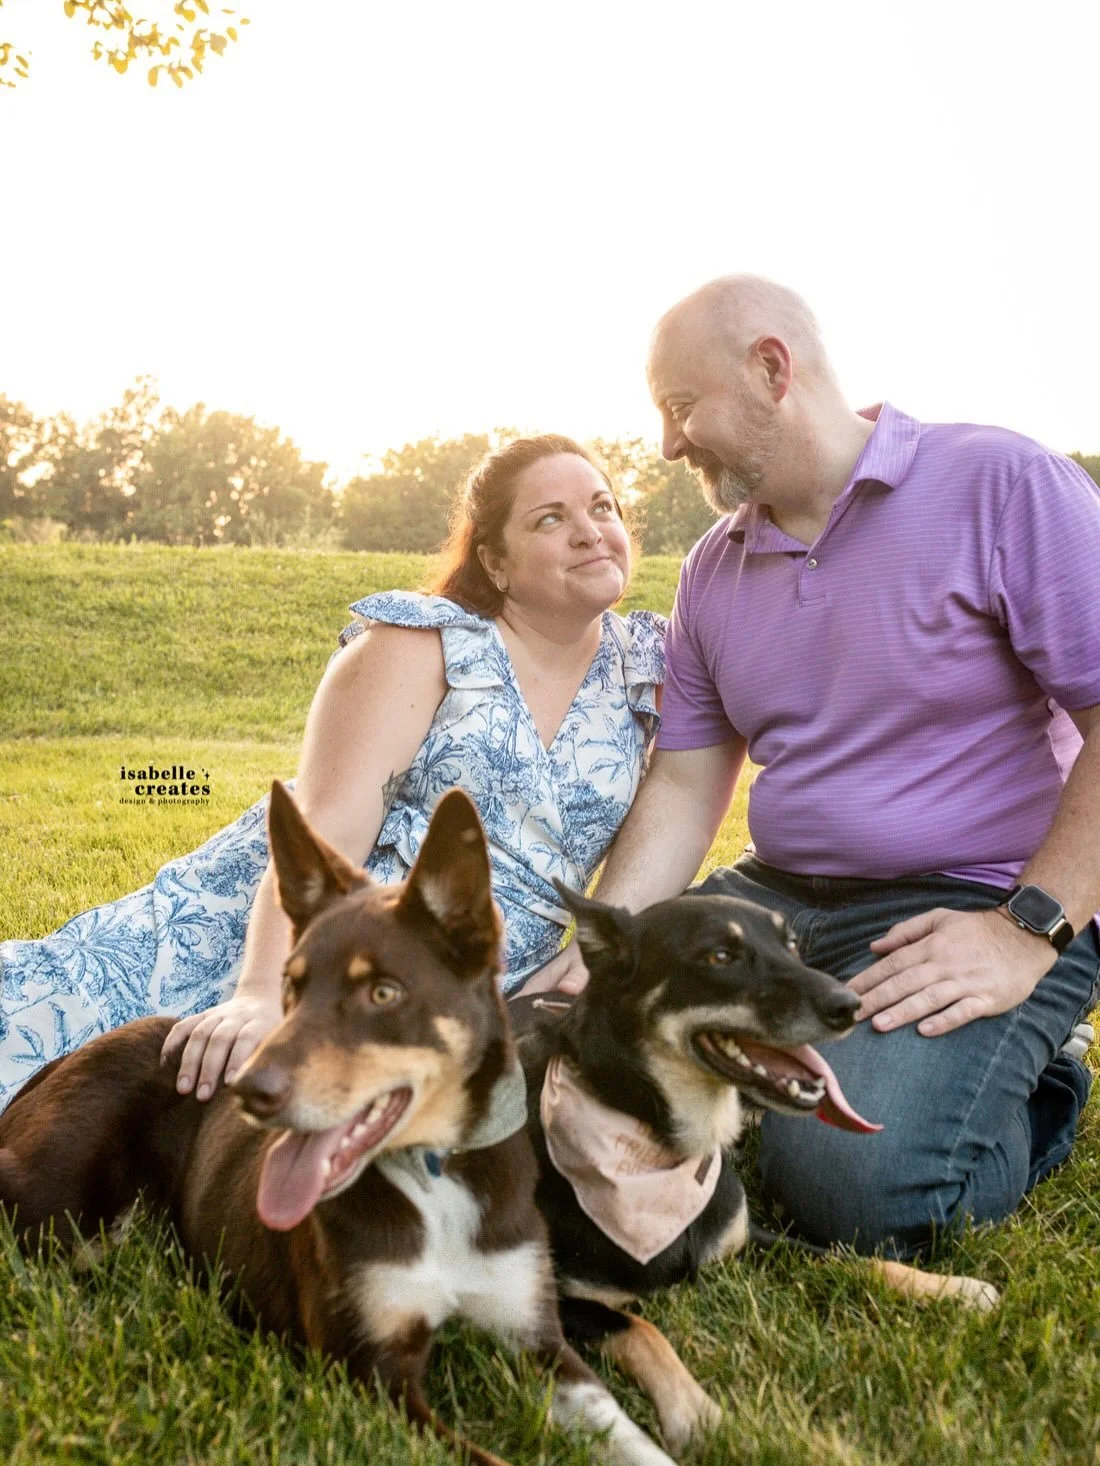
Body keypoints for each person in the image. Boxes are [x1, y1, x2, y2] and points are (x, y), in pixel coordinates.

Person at [530, 276, 1100, 1259]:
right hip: (779, 902)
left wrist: (1027, 929)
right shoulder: (713, 567)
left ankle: (1037, 1082)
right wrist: (599, 949)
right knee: (562, 1066)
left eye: (677, 408)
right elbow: (680, 786)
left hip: (975, 901)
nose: (667, 445)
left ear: (770, 367)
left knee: (850, 1184)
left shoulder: (999, 481)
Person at [0, 435, 665, 1113]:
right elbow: (327, 827)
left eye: (602, 507)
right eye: (549, 518)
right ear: (493, 559)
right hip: (285, 930)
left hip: (457, 973)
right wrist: (263, 992)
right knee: (55, 1056)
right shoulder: (428, 643)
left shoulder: (650, 667)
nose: (590, 533)